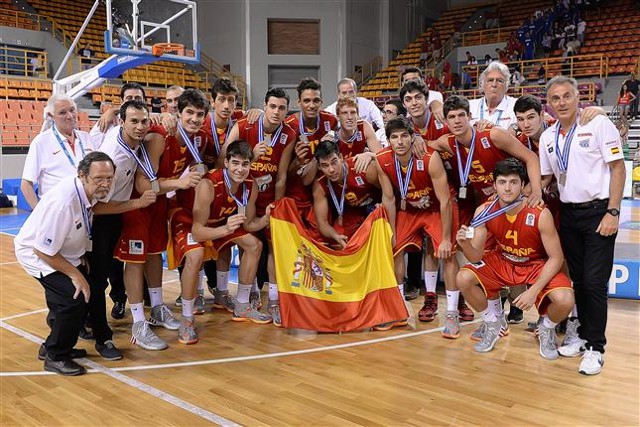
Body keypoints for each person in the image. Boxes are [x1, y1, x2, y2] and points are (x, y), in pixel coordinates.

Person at [539, 75, 625, 375]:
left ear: (578, 98)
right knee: (579, 281)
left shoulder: (598, 124)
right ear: (548, 105)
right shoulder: (548, 137)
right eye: (555, 98)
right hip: (569, 215)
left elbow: (617, 167)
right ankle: (584, 336)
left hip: (599, 212)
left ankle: (596, 347)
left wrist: (613, 211)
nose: (561, 102)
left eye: (566, 96)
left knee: (594, 282)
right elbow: (548, 177)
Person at [115, 89, 210, 350]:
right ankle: (137, 322)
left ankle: (157, 308)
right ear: (177, 114)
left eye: (199, 114)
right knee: (135, 261)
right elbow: (143, 183)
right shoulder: (159, 138)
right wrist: (180, 182)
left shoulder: (195, 139)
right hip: (137, 204)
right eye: (189, 113)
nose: (194, 119)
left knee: (155, 254)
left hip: (159, 205)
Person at [455, 158, 574, 358]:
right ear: (494, 185)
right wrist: (465, 244)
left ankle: (546, 327)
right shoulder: (484, 211)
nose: (508, 188)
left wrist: (533, 291)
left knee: (565, 300)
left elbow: (556, 258)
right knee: (463, 278)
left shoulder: (539, 213)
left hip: (535, 264)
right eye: (502, 182)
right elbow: (475, 256)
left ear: (522, 184)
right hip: (503, 260)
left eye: (513, 182)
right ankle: (493, 323)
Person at [14, 152, 117, 375]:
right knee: (74, 298)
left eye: (109, 178)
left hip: (60, 252)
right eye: (99, 178)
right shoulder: (64, 202)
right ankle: (55, 355)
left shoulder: (86, 194)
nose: (105, 183)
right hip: (37, 254)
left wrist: (78, 258)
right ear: (82, 176)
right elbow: (42, 249)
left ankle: (55, 346)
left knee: (77, 296)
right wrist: (75, 274)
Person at [376, 117, 461, 338]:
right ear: (389, 141)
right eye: (394, 137)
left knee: (448, 253)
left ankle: (452, 314)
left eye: (404, 135)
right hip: (409, 210)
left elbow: (445, 201)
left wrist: (445, 238)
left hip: (436, 208)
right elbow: (389, 199)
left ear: (412, 137)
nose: (400, 141)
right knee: (394, 249)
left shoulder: (429, 158)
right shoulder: (382, 159)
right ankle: (398, 309)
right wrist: (391, 233)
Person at [89, 100, 157, 354]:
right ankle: (103, 338)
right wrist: (136, 202)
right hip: (102, 218)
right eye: (134, 122)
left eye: (144, 121)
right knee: (98, 278)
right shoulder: (113, 156)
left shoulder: (131, 139)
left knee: (115, 271)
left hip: (119, 211)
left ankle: (90, 322)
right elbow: (96, 207)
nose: (140, 127)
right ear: (121, 122)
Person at [224, 87, 297, 321]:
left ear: (287, 110)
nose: (276, 112)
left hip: (269, 198)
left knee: (273, 244)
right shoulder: (245, 125)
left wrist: (276, 206)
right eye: (272, 106)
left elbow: (282, 175)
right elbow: (224, 158)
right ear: (264, 106)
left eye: (282, 108)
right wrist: (252, 156)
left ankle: (274, 300)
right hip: (243, 196)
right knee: (249, 244)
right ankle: (249, 294)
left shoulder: (289, 132)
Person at [193, 141, 274, 325]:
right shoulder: (209, 183)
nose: (240, 169)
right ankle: (190, 307)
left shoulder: (250, 184)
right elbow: (197, 231)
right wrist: (225, 230)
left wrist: (266, 219)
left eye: (245, 164)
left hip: (222, 224)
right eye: (235, 163)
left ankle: (242, 304)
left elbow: (250, 223)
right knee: (196, 252)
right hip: (196, 226)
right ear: (226, 163)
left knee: (255, 245)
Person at [21, 94, 94, 210]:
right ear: (51, 116)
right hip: (56, 211)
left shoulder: (86, 138)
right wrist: (38, 212)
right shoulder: (41, 142)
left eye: (72, 110)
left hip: (85, 209)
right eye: (62, 113)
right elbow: (26, 184)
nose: (70, 116)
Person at [312, 140, 387, 248]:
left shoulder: (363, 168)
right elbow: (322, 223)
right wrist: (335, 236)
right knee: (337, 242)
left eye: (334, 162)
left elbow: (391, 192)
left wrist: (383, 205)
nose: (331, 170)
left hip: (378, 207)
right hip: (353, 212)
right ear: (319, 167)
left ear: (341, 158)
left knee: (379, 238)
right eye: (325, 165)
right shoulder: (320, 186)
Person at [284, 77, 338, 222]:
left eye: (316, 100)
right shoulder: (288, 126)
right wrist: (297, 161)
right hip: (296, 194)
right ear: (299, 102)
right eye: (306, 101)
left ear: (322, 102)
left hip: (323, 191)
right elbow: (283, 173)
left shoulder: (331, 121)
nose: (312, 105)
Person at [468, 61, 518, 129]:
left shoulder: (516, 105)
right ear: (482, 85)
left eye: (499, 81)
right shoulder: (470, 106)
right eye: (490, 80)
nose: (494, 85)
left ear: (506, 85)